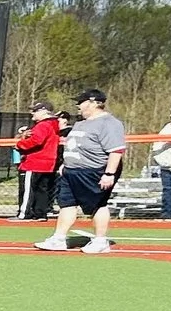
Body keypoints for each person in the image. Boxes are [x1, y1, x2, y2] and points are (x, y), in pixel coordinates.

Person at [36, 88, 126, 253]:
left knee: (97, 205)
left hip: (94, 171)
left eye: (81, 102)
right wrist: (65, 164)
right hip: (72, 171)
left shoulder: (109, 123)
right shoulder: (81, 122)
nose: (78, 105)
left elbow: (116, 150)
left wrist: (109, 174)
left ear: (93, 103)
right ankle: (58, 238)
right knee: (67, 204)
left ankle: (100, 241)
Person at [14, 102, 62, 221]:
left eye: (35, 111)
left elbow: (36, 141)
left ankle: (24, 213)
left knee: (28, 189)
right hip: (47, 163)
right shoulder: (53, 124)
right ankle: (40, 213)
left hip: (35, 162)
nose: (32, 114)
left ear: (44, 111)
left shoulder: (43, 125)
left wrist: (20, 145)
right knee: (42, 189)